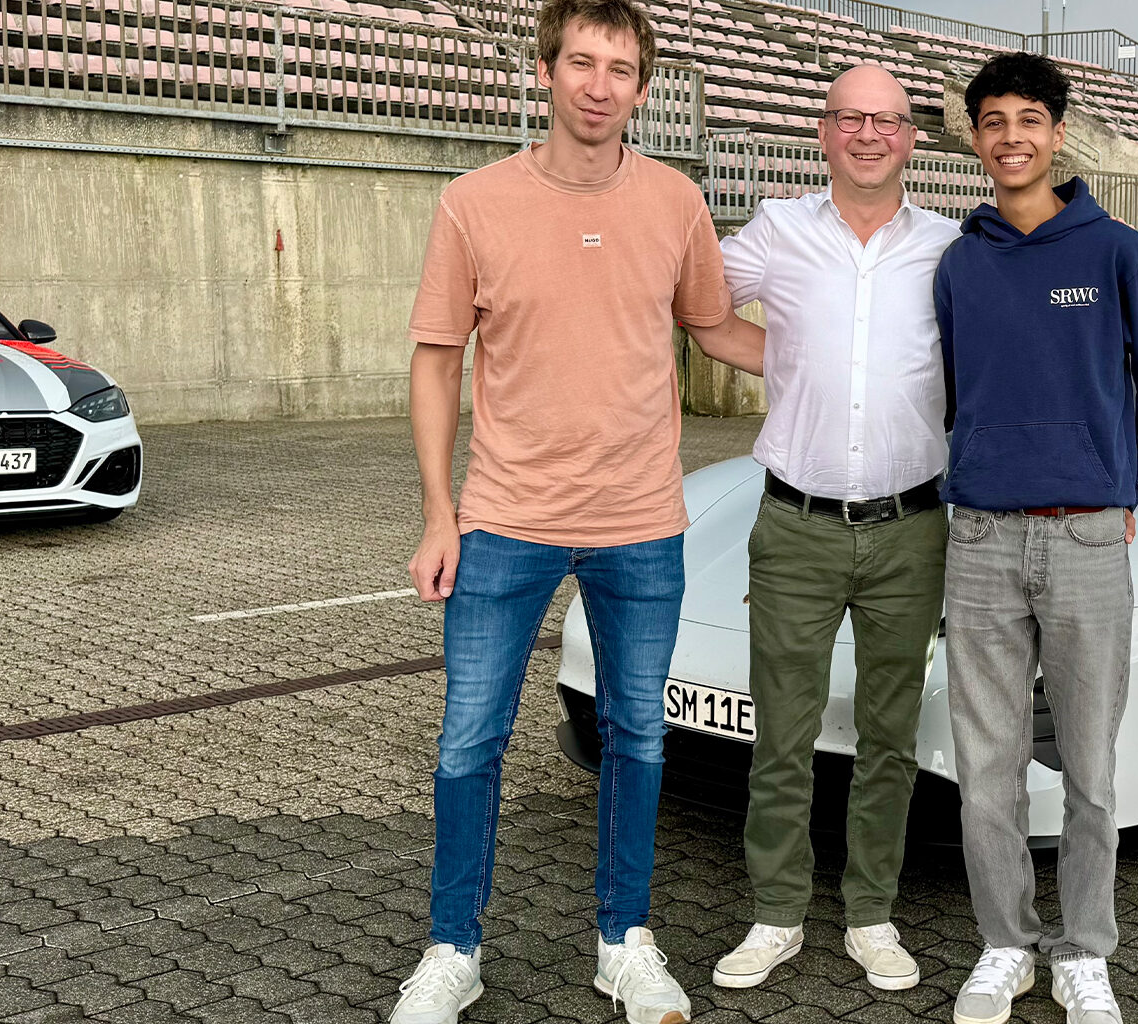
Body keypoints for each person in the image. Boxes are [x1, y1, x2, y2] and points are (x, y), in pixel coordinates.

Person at [391, 2, 762, 1021]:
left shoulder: (676, 201)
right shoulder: (475, 203)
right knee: (471, 740)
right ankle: (452, 948)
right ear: (547, 70)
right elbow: (434, 361)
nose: (601, 85)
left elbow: (716, 327)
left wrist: (850, 371)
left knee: (638, 733)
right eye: (583, 63)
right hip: (503, 519)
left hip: (642, 521)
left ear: (644, 86)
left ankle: (624, 941)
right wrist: (438, 513)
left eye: (623, 68)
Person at [696, 64, 962, 994]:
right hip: (798, 525)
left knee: (889, 738)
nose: (867, 134)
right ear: (823, 131)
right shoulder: (777, 229)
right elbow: (699, 304)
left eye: (885, 119)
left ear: (911, 137)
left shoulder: (947, 247)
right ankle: (775, 916)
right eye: (850, 118)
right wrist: (788, 361)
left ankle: (872, 916)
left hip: (910, 527)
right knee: (784, 733)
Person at [933, 52, 1138, 1024]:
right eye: (991, 121)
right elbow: (959, 394)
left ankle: (1084, 950)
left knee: (1089, 769)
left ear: (1057, 133)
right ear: (976, 137)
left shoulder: (1117, 252)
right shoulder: (962, 263)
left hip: (1086, 544)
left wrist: (1126, 486)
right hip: (983, 539)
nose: (1010, 138)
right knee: (985, 773)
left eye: (1027, 120)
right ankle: (1005, 943)